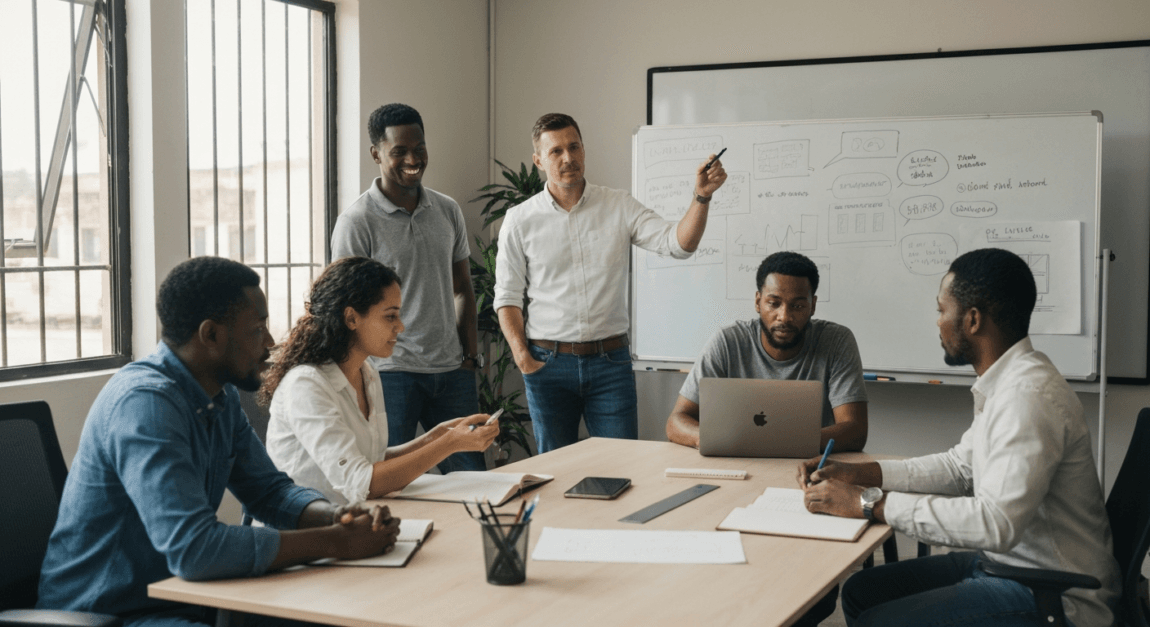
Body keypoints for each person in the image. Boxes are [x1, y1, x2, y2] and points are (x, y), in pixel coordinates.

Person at [36, 257, 401, 627]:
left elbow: (269, 493)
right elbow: (195, 549)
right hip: (111, 611)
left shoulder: (219, 397)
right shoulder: (145, 405)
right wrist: (337, 542)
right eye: (258, 329)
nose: (271, 344)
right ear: (211, 335)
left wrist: (338, 516)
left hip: (186, 598)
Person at [798, 248, 1120, 627]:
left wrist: (869, 503)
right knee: (860, 592)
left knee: (877, 620)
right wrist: (861, 475)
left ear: (972, 320)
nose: (937, 322)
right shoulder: (1008, 382)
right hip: (1009, 565)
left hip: (1053, 593)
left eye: (941, 310)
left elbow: (995, 524)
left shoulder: (1027, 398)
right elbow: (959, 467)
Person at [495, 112, 728, 453]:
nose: (568, 158)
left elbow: (679, 244)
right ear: (538, 161)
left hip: (610, 364)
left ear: (584, 150)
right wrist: (523, 359)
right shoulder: (520, 219)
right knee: (554, 469)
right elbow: (507, 297)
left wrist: (702, 196)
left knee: (622, 466)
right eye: (556, 151)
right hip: (548, 365)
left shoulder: (618, 205)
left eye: (574, 147)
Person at [261, 257, 499, 504]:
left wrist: (438, 436)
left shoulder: (367, 372)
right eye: (390, 316)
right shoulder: (306, 385)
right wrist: (449, 444)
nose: (401, 327)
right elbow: (362, 482)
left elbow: (371, 460)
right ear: (351, 318)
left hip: (349, 522)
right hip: (302, 534)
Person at [331, 103, 483, 473]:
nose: (413, 159)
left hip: (451, 373)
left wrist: (468, 359)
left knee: (474, 480)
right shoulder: (356, 222)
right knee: (392, 481)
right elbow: (345, 310)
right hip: (390, 375)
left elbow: (462, 288)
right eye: (399, 151)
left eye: (419, 148)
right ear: (376, 154)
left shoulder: (447, 211)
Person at [666, 251, 868, 452]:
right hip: (736, 459)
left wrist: (771, 443)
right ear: (757, 302)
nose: (784, 316)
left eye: (797, 306)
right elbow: (676, 421)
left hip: (807, 465)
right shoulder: (727, 342)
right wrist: (709, 438)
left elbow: (855, 431)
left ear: (812, 306)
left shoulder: (836, 341)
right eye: (774, 303)